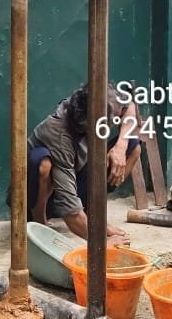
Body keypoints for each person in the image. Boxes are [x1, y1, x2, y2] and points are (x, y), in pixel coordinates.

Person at [20, 83, 147, 246]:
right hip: (38, 195)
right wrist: (101, 243)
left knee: (133, 147)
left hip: (73, 175)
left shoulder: (93, 101)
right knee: (42, 162)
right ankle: (41, 226)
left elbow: (129, 107)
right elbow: (70, 212)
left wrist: (121, 145)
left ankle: (93, 219)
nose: (117, 120)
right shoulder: (59, 135)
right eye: (113, 120)